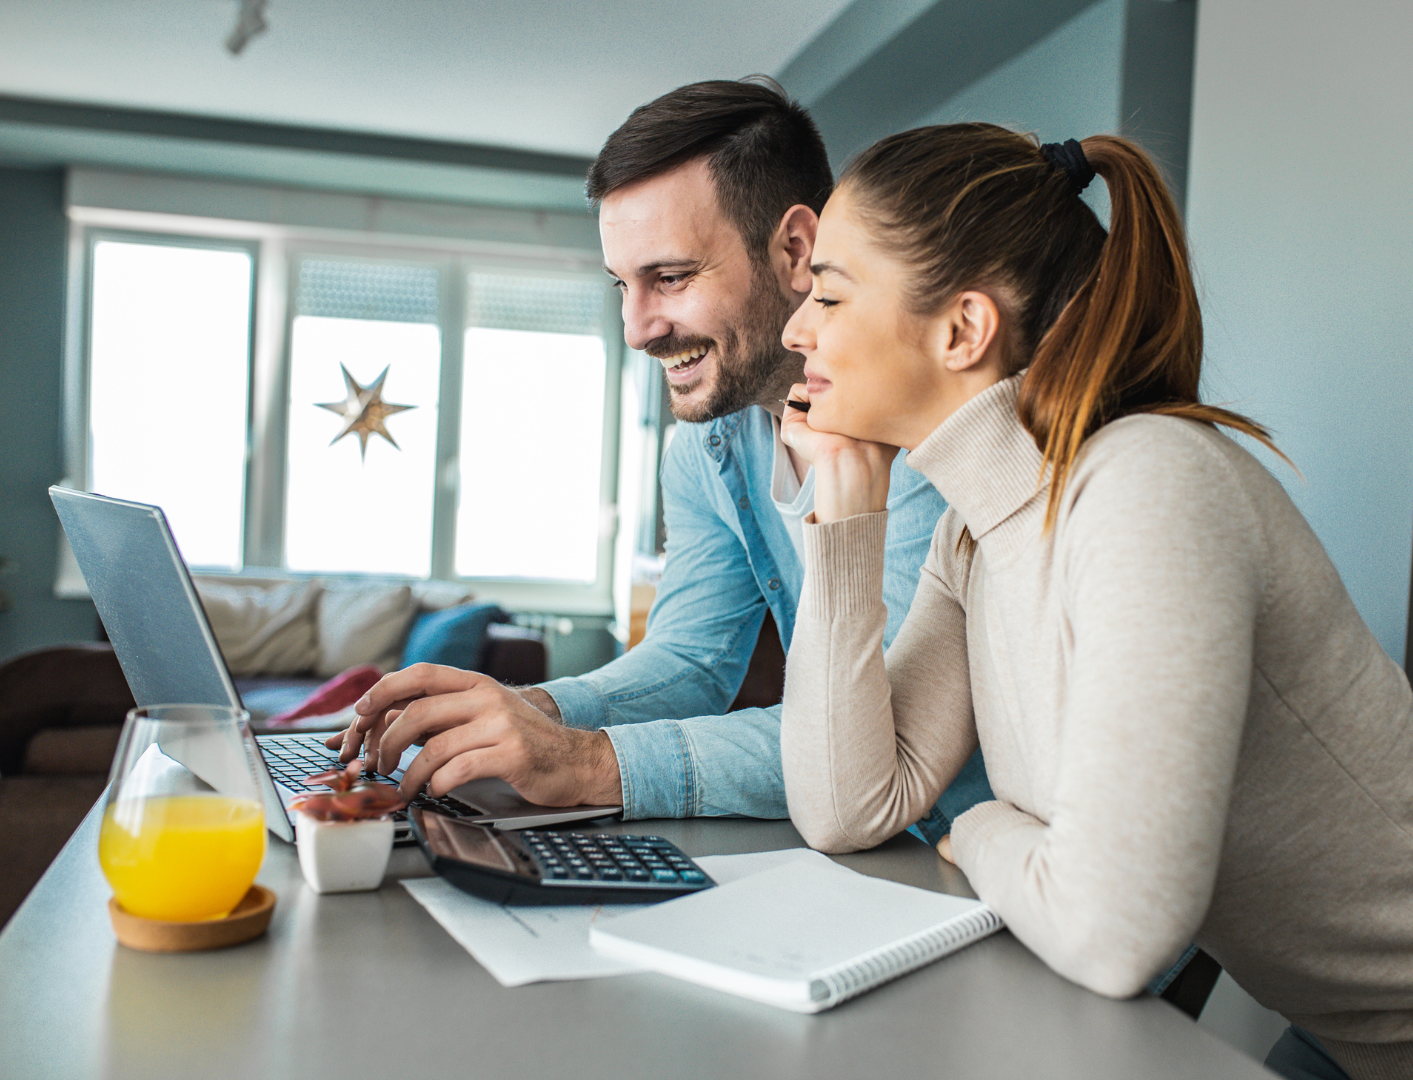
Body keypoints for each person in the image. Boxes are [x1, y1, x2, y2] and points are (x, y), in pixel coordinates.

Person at [776, 123, 1413, 1080]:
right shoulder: (974, 533)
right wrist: (844, 520)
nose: (797, 330)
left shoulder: (1145, 484)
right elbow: (849, 803)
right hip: (1347, 1039)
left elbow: (1112, 933)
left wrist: (981, 825)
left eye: (827, 293)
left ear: (960, 330)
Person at [328, 80, 991, 839]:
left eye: (669, 278)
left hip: (959, 872)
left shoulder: (925, 436)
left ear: (795, 251)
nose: (636, 329)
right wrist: (530, 714)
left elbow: (876, 747)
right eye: (622, 284)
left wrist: (585, 762)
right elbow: (692, 658)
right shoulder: (708, 448)